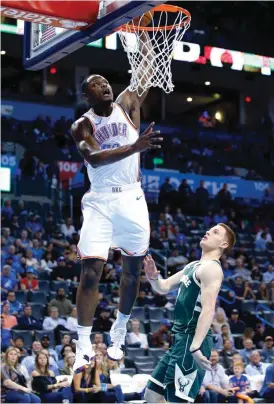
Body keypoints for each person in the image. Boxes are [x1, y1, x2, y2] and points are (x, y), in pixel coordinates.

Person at [71, 54, 163, 371]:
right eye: (97, 84)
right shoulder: (82, 125)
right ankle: (83, 343)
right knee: (90, 273)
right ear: (87, 95)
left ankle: (119, 329)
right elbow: (95, 158)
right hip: (99, 202)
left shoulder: (127, 104)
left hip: (131, 198)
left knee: (132, 273)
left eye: (106, 82)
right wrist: (136, 147)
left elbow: (147, 69)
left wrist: (147, 33)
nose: (105, 86)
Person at [144, 223, 236, 403]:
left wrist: (195, 346)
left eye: (215, 232)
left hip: (192, 340)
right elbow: (163, 287)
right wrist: (153, 276)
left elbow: (208, 309)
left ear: (223, 244)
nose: (208, 231)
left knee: (176, 400)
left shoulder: (212, 269)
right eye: (210, 229)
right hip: (179, 340)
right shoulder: (193, 266)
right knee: (152, 395)